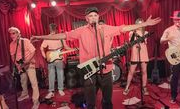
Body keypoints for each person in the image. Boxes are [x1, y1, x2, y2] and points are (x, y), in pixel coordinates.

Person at [31, 7, 161, 109]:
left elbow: (124, 28)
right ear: (86, 19)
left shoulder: (105, 28)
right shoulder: (81, 30)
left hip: (106, 70)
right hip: (89, 71)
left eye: (95, 15)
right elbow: (63, 36)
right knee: (90, 102)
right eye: (90, 16)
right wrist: (41, 37)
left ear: (98, 17)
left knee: (107, 101)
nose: (93, 17)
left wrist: (144, 24)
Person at [8, 27, 40, 109]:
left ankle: (36, 101)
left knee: (33, 83)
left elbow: (33, 51)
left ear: (18, 33)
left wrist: (27, 61)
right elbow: (12, 56)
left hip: (29, 63)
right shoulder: (11, 44)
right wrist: (17, 65)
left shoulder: (25, 41)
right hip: (20, 65)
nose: (11, 35)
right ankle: (25, 94)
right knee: (23, 81)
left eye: (13, 33)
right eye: (10, 34)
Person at [40, 23, 71, 98]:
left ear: (56, 29)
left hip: (59, 57)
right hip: (50, 57)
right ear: (50, 29)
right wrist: (45, 57)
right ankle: (51, 91)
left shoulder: (60, 37)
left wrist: (73, 49)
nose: (53, 30)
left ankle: (60, 89)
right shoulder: (47, 37)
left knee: (60, 73)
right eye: (51, 29)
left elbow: (66, 47)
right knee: (51, 75)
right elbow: (41, 48)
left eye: (54, 28)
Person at [123, 18, 149, 95]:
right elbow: (131, 43)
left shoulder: (146, 32)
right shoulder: (132, 33)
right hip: (135, 53)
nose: (140, 26)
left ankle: (144, 88)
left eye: (142, 24)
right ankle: (127, 87)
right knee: (131, 71)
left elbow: (144, 42)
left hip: (143, 53)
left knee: (144, 71)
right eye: (139, 24)